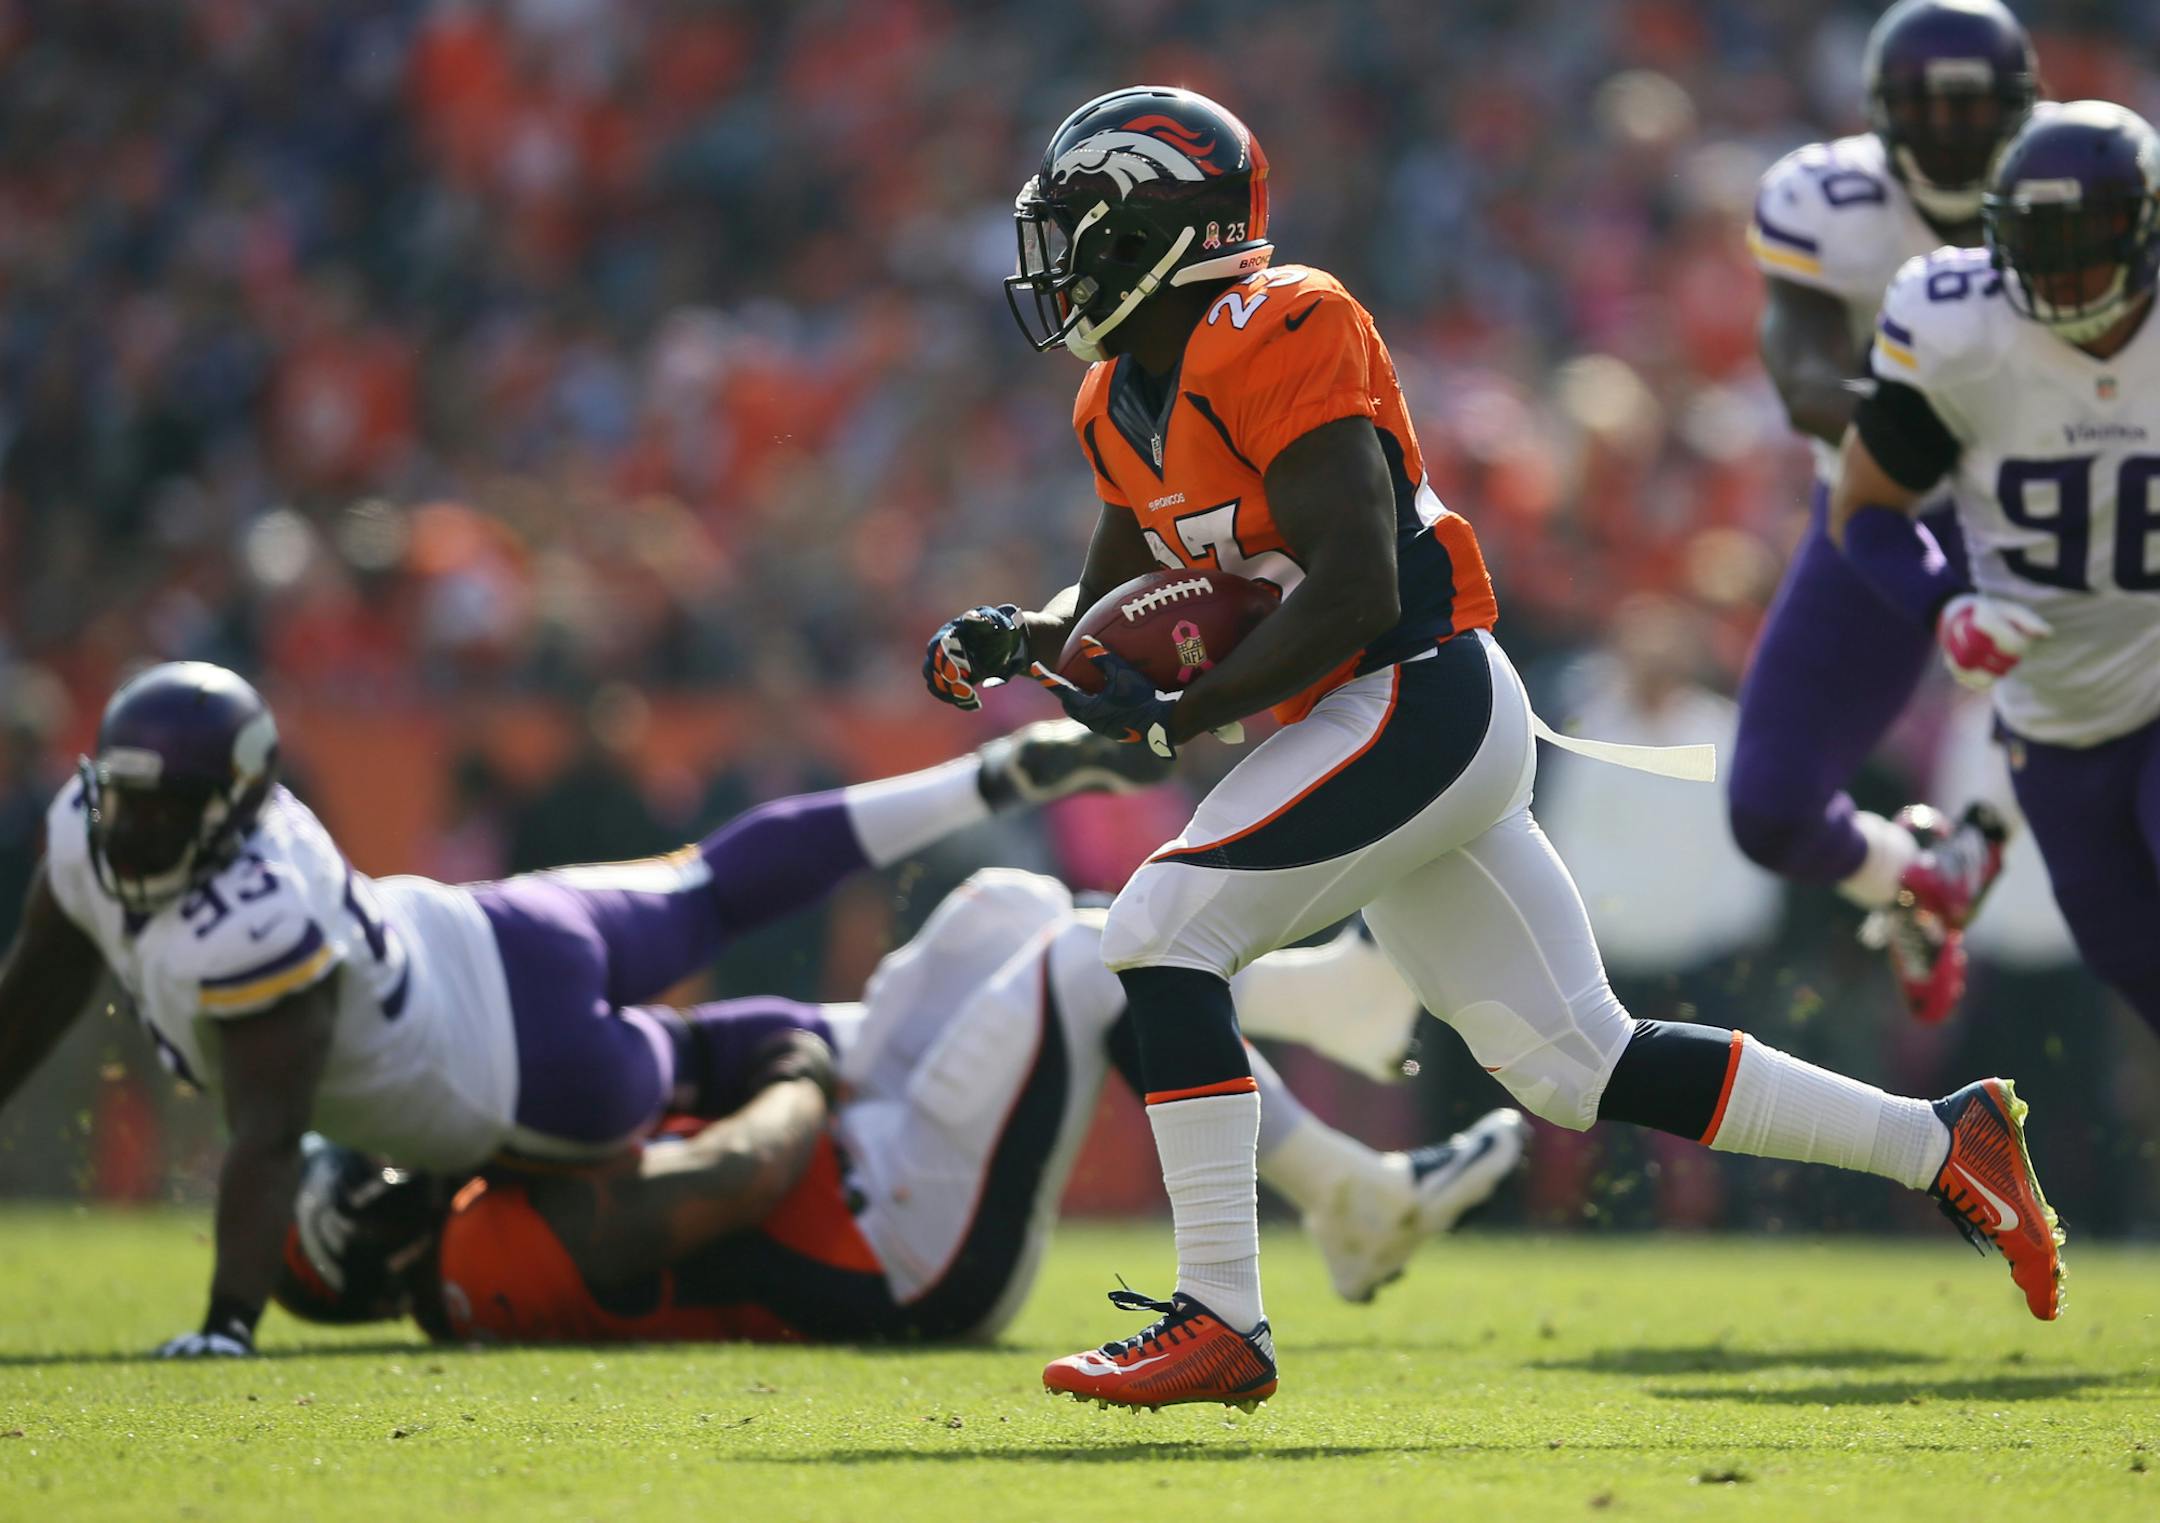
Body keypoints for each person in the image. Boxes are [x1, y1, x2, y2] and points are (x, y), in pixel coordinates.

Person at [923, 84, 2067, 1411]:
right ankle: (1944, 1140)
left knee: (1158, 930)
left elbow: (1350, 587)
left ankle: (1222, 1311)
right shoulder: (1118, 399)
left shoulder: (1286, 322)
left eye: (1083, 225)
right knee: (1580, 1061)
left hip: (1418, 691)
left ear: (1164, 230)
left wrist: (1176, 714)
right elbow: (1115, 598)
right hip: (1372, 726)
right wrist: (1025, 639)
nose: (1060, 259)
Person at [0, 661, 1164, 1358]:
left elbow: (262, 1131)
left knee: (797, 1022)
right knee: (728, 883)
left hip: (534, 1073)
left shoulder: (258, 917)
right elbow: (47, 1001)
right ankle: (993, 773)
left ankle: (997, 811)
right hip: (498, 931)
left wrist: (230, 1320)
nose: (124, 824)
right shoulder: (203, 839)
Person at [273, 868, 1532, 1351]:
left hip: (863, 1169)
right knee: (1084, 961)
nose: (394, 1159)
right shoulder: (482, 1255)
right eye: (367, 1177)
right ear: (357, 1231)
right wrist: (795, 1071)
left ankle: (1323, 1013)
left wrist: (764, 1054)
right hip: (897, 1250)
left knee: (1003, 900)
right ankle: (1348, 1192)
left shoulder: (472, 1212)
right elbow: (736, 1179)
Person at [1732, 0, 2038, 1021]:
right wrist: (1943, 418)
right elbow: (1806, 379)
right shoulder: (1832, 201)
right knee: (1770, 809)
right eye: (1929, 109)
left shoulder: (2074, 187)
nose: (1951, 133)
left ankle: (1974, 848)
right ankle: (1918, 874)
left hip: (2060, 505)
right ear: (1880, 114)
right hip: (1885, 503)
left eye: (1973, 110)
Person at [1829, 100, 2160, 1039]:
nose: (2058, 276)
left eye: (2084, 245)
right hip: (2052, 716)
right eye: (2036, 245)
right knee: (2123, 947)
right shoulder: (1958, 325)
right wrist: (1948, 605)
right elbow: (1867, 509)